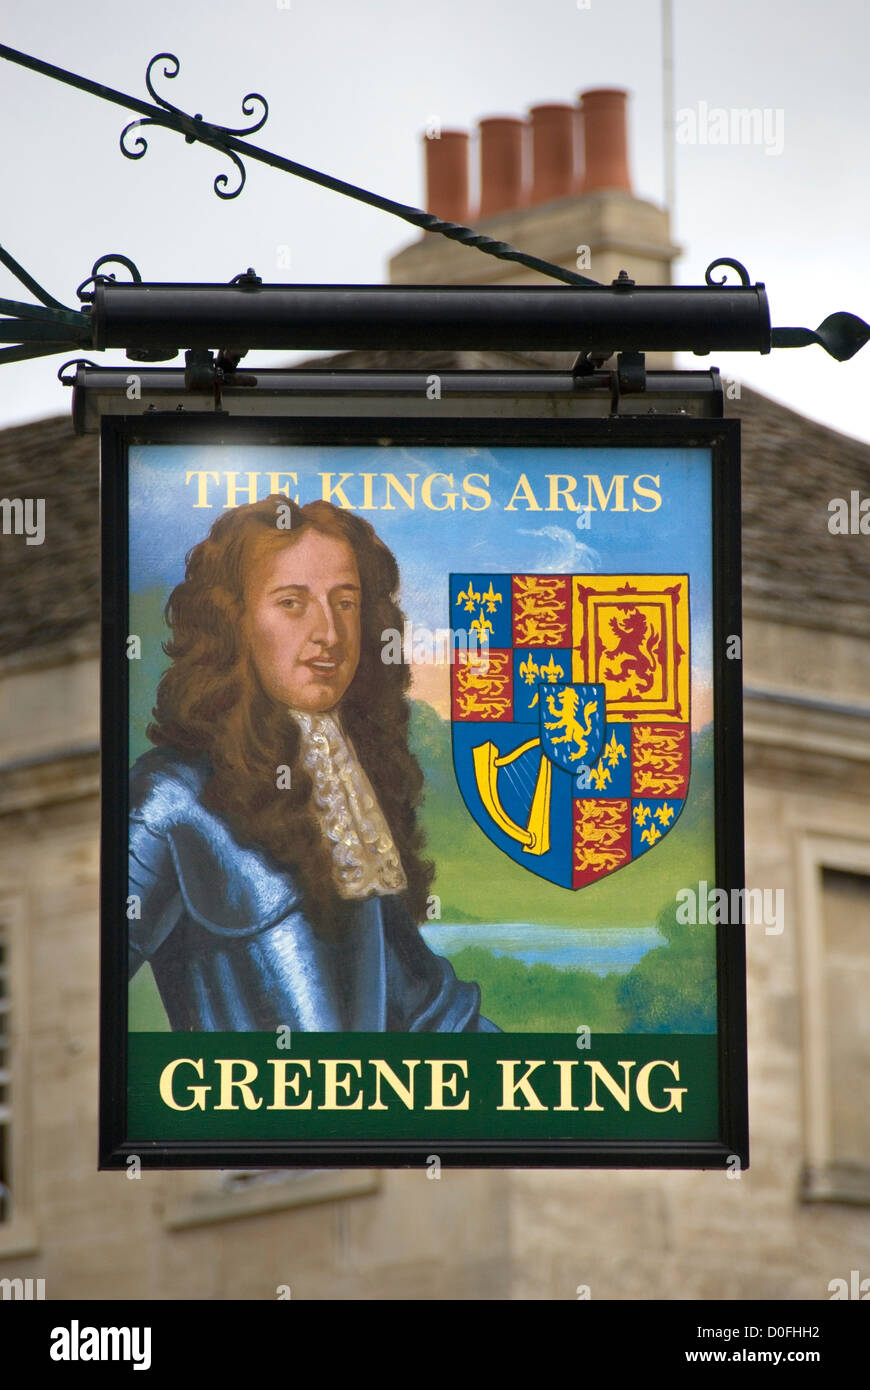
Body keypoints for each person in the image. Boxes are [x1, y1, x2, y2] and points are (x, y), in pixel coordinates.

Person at [128, 493, 499, 1032]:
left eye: (345, 602)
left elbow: (430, 1012)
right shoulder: (170, 797)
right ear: (235, 622)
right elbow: (75, 980)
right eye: (292, 603)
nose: (329, 632)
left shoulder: (348, 783)